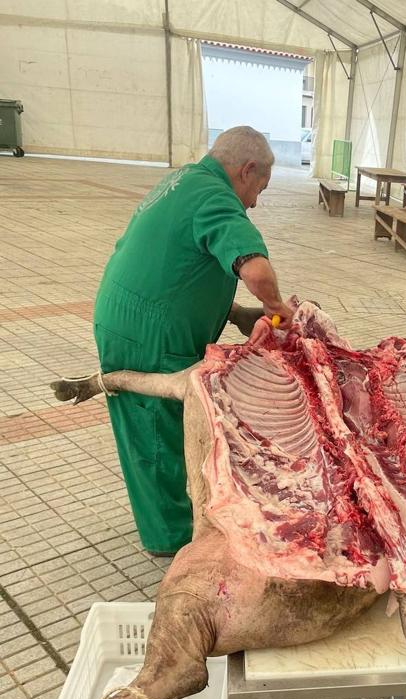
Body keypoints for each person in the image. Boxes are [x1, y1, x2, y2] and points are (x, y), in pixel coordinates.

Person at [94, 126, 294, 555]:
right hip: (149, 333)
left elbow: (181, 263)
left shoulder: (183, 180)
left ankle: (179, 522)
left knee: (158, 430)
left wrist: (239, 314)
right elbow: (255, 271)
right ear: (248, 169)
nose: (255, 202)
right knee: (157, 434)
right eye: (259, 188)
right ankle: (173, 544)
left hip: (134, 317)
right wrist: (278, 306)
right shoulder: (216, 196)